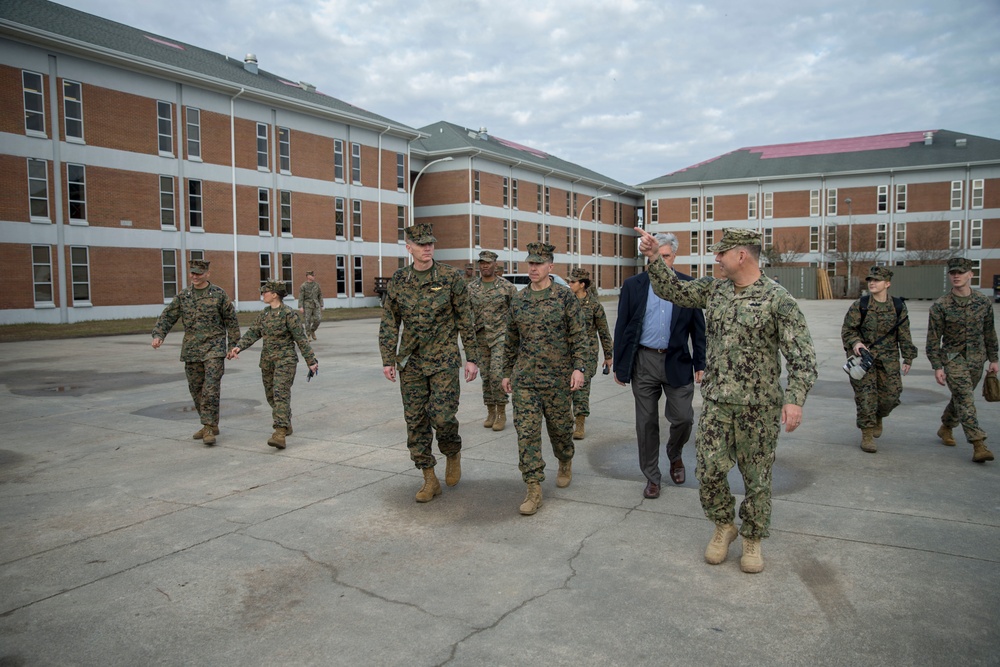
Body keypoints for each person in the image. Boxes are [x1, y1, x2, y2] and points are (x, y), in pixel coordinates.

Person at [635, 226, 817, 574]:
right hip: (718, 404)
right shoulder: (714, 290)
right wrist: (654, 257)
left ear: (741, 255)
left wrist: (794, 399)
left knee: (757, 478)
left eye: (721, 253)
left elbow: (803, 357)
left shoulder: (778, 300)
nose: (716, 259)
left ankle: (752, 537)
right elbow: (672, 289)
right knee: (709, 471)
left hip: (759, 410)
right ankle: (724, 525)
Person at [378, 223, 480, 502]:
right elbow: (390, 322)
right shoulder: (399, 280)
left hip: (443, 358)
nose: (427, 248)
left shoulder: (450, 277)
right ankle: (428, 477)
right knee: (415, 420)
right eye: (421, 244)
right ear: (408, 247)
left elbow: (465, 319)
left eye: (430, 243)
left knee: (443, 416)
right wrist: (388, 358)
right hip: (410, 361)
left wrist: (471, 357)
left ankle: (452, 450)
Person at [613, 233, 706, 499]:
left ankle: (674, 455)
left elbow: (698, 330)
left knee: (683, 418)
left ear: (674, 257)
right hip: (644, 361)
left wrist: (701, 362)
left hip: (677, 360)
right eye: (656, 256)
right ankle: (652, 477)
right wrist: (621, 365)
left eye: (666, 256)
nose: (661, 261)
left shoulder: (688, 285)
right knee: (646, 423)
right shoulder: (634, 285)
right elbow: (623, 326)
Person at [502, 242, 587, 516]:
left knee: (561, 431)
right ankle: (534, 488)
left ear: (550, 267)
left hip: (557, 379)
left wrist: (579, 368)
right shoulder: (519, 299)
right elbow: (511, 340)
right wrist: (506, 372)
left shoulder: (564, 298)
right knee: (526, 435)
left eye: (538, 264)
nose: (533, 268)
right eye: (530, 264)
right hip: (525, 379)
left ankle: (564, 460)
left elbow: (578, 336)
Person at [151, 259, 241, 446]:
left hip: (214, 348)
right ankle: (211, 423)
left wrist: (233, 345)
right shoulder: (184, 296)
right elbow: (169, 315)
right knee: (196, 389)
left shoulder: (218, 294)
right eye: (192, 273)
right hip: (192, 349)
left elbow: (231, 320)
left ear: (207, 274)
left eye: (198, 273)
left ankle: (208, 427)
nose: (194, 276)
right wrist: (159, 334)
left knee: (210, 389)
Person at [228, 280, 318, 450]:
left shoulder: (289, 315)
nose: (263, 295)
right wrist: (238, 347)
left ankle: (280, 432)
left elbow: (301, 339)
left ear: (275, 294)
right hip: (267, 362)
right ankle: (285, 421)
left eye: (265, 292)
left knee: (280, 394)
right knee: (271, 396)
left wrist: (311, 361)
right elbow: (253, 332)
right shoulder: (264, 314)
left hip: (286, 361)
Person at [926, 257, 998, 463]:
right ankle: (978, 444)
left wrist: (994, 358)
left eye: (960, 272)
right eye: (952, 273)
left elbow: (989, 332)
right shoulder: (941, 306)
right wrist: (937, 366)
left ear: (970, 274)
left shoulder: (983, 302)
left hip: (977, 358)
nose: (956, 276)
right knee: (966, 398)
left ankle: (946, 426)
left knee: (960, 397)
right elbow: (933, 339)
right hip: (952, 358)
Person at [840, 266, 918, 453]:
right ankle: (867, 435)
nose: (872, 283)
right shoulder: (861, 305)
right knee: (866, 397)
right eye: (870, 280)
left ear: (887, 283)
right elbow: (848, 329)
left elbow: (904, 333)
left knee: (892, 395)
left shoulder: (898, 306)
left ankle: (879, 416)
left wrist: (908, 356)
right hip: (863, 359)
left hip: (888, 358)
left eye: (877, 280)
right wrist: (856, 343)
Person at [467, 250, 518, 432]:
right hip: (480, 337)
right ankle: (490, 410)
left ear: (495, 265)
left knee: (497, 374)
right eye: (481, 263)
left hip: (500, 337)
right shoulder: (472, 288)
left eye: (488, 263)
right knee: (486, 376)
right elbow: (467, 312)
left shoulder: (507, 288)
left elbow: (516, 314)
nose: (484, 266)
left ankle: (501, 411)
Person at [566, 267, 613, 439]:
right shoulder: (565, 302)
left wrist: (608, 356)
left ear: (582, 284)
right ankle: (568, 417)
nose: (569, 284)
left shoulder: (594, 305)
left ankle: (580, 422)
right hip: (566, 352)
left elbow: (604, 331)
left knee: (582, 389)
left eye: (572, 281)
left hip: (587, 353)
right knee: (565, 388)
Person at [298, 271, 323, 341]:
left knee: (318, 319)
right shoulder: (303, 286)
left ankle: (312, 330)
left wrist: (321, 305)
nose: (314, 277)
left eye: (314, 275)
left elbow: (320, 295)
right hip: (307, 305)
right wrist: (301, 306)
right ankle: (308, 334)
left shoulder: (317, 285)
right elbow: (301, 296)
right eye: (312, 275)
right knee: (307, 320)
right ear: (308, 276)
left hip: (316, 304)